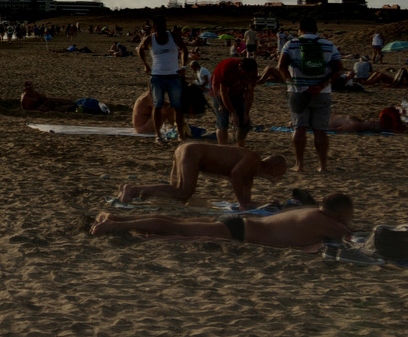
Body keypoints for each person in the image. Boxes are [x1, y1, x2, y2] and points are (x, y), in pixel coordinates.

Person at [91, 193, 356, 248]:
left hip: (239, 224)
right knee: (175, 228)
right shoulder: (330, 223)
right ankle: (116, 225)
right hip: (239, 231)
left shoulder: (310, 211)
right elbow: (351, 239)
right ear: (342, 213)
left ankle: (118, 217)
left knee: (174, 222)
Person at [116, 141, 288, 209]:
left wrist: (266, 203)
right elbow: (235, 174)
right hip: (193, 152)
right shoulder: (253, 159)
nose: (279, 178)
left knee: (178, 194)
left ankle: (139, 192)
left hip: (187, 149)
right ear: (274, 166)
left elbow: (247, 202)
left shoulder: (250, 175)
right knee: (184, 192)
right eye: (280, 173)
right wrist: (242, 202)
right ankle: (133, 189)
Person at [277, 16, 343, 173]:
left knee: (299, 128)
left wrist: (293, 84)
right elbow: (339, 69)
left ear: (299, 30)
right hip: (322, 92)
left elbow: (281, 66)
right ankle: (322, 166)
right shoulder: (328, 44)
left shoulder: (291, 44)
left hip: (297, 93)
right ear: (316, 30)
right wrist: (322, 85)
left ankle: (299, 165)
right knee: (320, 130)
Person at [138, 15, 191, 145]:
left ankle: (180, 135)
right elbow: (140, 49)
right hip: (157, 76)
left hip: (173, 75)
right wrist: (145, 64)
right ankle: (158, 136)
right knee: (157, 105)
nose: (163, 28)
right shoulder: (150, 39)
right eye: (159, 26)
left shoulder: (174, 37)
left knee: (177, 106)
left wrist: (183, 66)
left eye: (164, 26)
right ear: (155, 27)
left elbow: (184, 49)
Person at [210, 56, 259, 146]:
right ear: (240, 68)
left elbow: (249, 93)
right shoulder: (228, 68)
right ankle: (223, 148)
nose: (247, 77)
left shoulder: (253, 72)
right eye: (245, 74)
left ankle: (239, 147)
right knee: (223, 121)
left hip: (238, 91)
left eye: (250, 75)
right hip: (219, 91)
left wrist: (246, 113)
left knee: (245, 122)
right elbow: (223, 93)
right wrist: (232, 113)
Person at [328, 108, 408, 135]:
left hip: (322, 119)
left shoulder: (357, 125)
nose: (375, 120)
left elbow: (338, 130)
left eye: (376, 123)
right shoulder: (360, 122)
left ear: (373, 126)